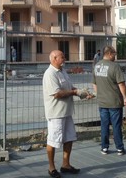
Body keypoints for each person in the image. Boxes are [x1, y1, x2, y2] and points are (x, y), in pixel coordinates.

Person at [43, 50, 84, 178]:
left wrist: (81, 92)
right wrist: (75, 92)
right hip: (56, 113)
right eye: (62, 56)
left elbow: (70, 87)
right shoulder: (50, 74)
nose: (64, 58)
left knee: (70, 138)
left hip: (66, 111)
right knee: (53, 140)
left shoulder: (62, 71)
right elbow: (57, 93)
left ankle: (66, 164)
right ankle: (51, 168)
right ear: (54, 58)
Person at [92, 45, 126, 156]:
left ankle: (104, 147)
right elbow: (121, 84)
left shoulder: (97, 66)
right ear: (109, 54)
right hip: (114, 101)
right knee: (116, 125)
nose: (115, 57)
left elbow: (94, 83)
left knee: (104, 125)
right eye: (114, 54)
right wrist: (125, 97)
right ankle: (119, 148)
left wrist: (99, 94)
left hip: (102, 102)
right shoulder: (115, 66)